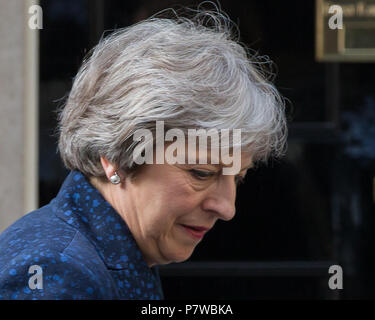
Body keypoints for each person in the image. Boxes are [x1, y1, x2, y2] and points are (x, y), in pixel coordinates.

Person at [0, 6, 287, 299]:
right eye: (202, 173)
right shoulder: (58, 274)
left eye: (238, 177)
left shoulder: (105, 253)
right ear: (115, 157)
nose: (227, 208)